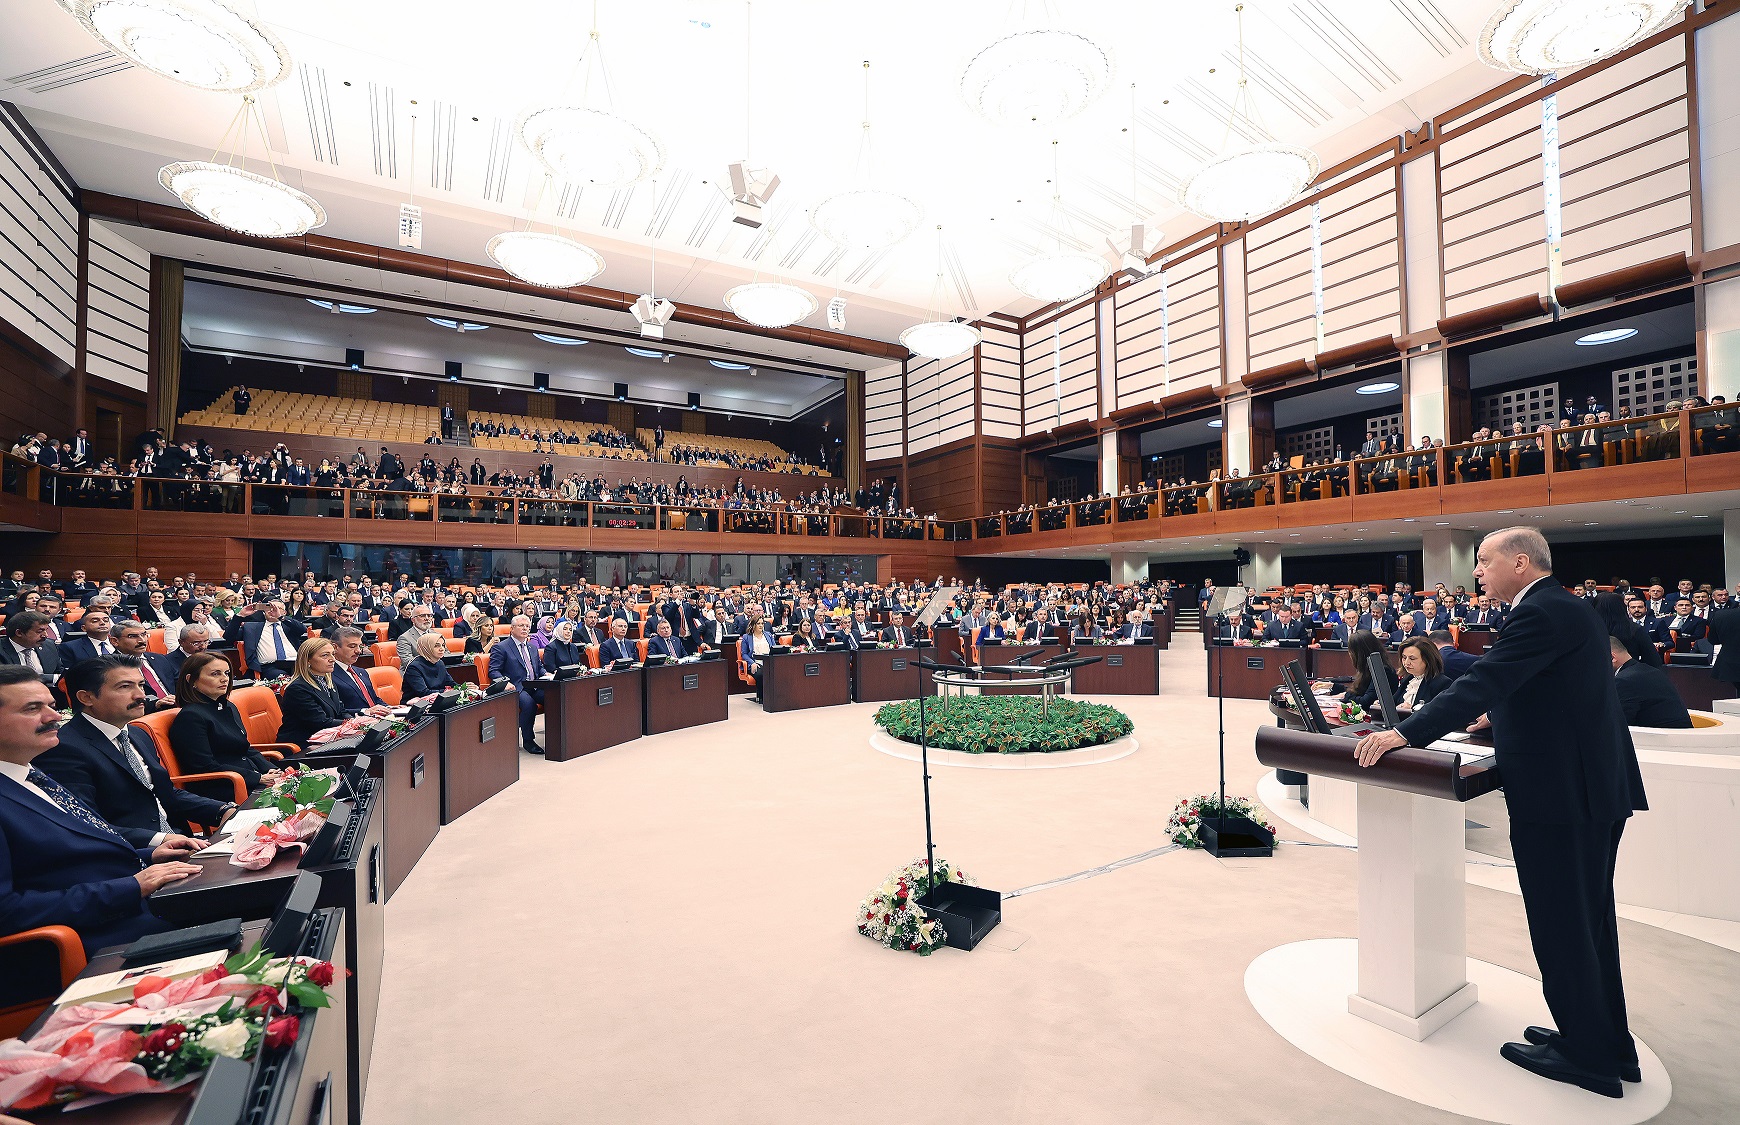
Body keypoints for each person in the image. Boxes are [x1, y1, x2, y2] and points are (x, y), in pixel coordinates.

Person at [1356, 527, 1647, 1097]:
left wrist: (1404, 732)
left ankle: (1587, 1055)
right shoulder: (1570, 608)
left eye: (1484, 562)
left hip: (1564, 795)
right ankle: (1607, 1040)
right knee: (1590, 922)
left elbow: (1486, 680)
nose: (1477, 572)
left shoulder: (1540, 612)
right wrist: (1504, 716)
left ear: (1520, 562)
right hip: (1590, 787)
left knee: (1563, 923)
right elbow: (1545, 688)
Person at [0, 664, 204, 975]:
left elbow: (71, 857)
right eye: (32, 709)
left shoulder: (30, 773)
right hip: (92, 943)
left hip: (137, 908)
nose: (54, 717)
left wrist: (150, 854)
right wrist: (131, 887)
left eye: (52, 706)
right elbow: (8, 911)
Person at [34, 656, 232, 847]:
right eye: (125, 687)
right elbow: (85, 823)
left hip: (181, 840)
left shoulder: (137, 733)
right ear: (86, 697)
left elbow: (161, 793)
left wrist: (221, 809)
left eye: (141, 685)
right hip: (136, 856)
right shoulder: (63, 748)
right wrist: (159, 840)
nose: (140, 696)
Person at [168, 652, 277, 790]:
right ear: (191, 680)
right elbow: (204, 766)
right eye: (215, 674)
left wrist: (271, 770)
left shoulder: (227, 706)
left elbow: (245, 748)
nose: (225, 679)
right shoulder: (191, 717)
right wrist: (258, 778)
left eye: (226, 673)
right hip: (224, 786)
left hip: (249, 778)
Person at [488, 615, 545, 755]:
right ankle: (528, 741)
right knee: (528, 704)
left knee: (554, 696)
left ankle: (555, 735)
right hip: (515, 687)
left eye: (527, 626)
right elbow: (494, 671)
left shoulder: (532, 647)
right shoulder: (501, 647)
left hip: (534, 684)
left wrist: (547, 674)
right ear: (512, 628)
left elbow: (539, 667)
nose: (525, 628)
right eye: (521, 626)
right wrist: (505, 683)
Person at [276, 638, 347, 749]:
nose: (332, 659)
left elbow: (340, 711)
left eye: (333, 654)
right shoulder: (298, 688)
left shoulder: (327, 681)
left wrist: (363, 719)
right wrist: (355, 725)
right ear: (307, 660)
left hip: (326, 738)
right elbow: (320, 722)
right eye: (325, 655)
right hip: (301, 746)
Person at [1608, 637, 1690, 728]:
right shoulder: (1645, 671)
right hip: (1678, 736)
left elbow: (1618, 726)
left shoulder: (1624, 680)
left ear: (1612, 657)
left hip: (1665, 739)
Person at [329, 626, 388, 714]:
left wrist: (390, 708)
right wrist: (365, 711)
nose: (358, 651)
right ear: (335, 647)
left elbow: (374, 699)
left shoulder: (362, 672)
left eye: (360, 646)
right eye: (352, 646)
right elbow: (336, 711)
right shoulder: (328, 675)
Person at [1393, 637, 1450, 715]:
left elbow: (1437, 713)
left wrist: (1411, 708)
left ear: (1428, 660)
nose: (1406, 663)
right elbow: (1394, 701)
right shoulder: (1407, 679)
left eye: (1412, 658)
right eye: (1404, 657)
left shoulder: (1441, 683)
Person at [402, 632, 457, 697]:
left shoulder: (440, 663)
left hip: (438, 700)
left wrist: (463, 687)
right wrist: (447, 691)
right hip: (416, 703)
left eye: (443, 645)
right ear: (426, 647)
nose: (442, 649)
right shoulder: (414, 667)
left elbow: (450, 683)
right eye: (436, 646)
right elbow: (423, 692)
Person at [738, 618, 773, 703]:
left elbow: (774, 648)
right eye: (758, 624)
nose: (761, 625)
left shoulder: (768, 635)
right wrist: (752, 663)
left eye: (762, 623)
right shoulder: (747, 637)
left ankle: (775, 696)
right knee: (762, 673)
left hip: (769, 662)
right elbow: (744, 654)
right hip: (754, 663)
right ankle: (762, 697)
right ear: (753, 625)